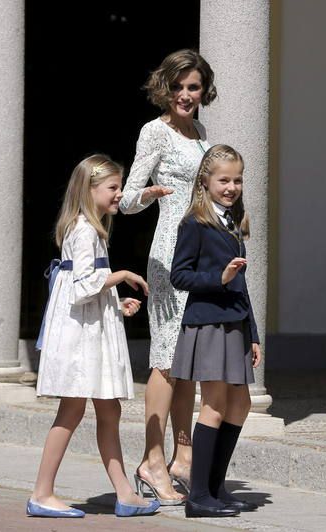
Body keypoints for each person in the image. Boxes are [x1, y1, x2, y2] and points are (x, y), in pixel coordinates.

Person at [28, 155, 159, 519]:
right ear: (90, 190)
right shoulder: (85, 230)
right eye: (113, 188)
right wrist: (122, 276)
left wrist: (116, 306)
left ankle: (124, 493)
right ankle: (42, 492)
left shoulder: (91, 229)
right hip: (79, 339)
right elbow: (84, 285)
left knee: (109, 408)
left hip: (88, 329)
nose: (118, 194)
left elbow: (83, 286)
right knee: (71, 410)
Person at [119, 49, 217, 504]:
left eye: (192, 87)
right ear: (165, 88)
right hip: (168, 254)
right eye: (177, 87)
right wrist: (150, 193)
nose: (184, 95)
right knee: (165, 357)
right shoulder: (153, 132)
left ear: (203, 91)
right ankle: (151, 459)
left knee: (189, 359)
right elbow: (126, 200)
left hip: (201, 253)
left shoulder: (201, 134)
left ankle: (184, 456)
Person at [169, 144, 261, 518]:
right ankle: (198, 495)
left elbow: (242, 285)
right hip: (208, 322)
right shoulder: (195, 222)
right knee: (215, 404)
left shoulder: (234, 222)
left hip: (234, 323)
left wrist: (252, 332)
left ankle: (216, 486)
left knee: (241, 403)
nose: (232, 186)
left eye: (237, 179)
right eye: (224, 179)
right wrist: (218, 279)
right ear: (205, 181)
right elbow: (179, 275)